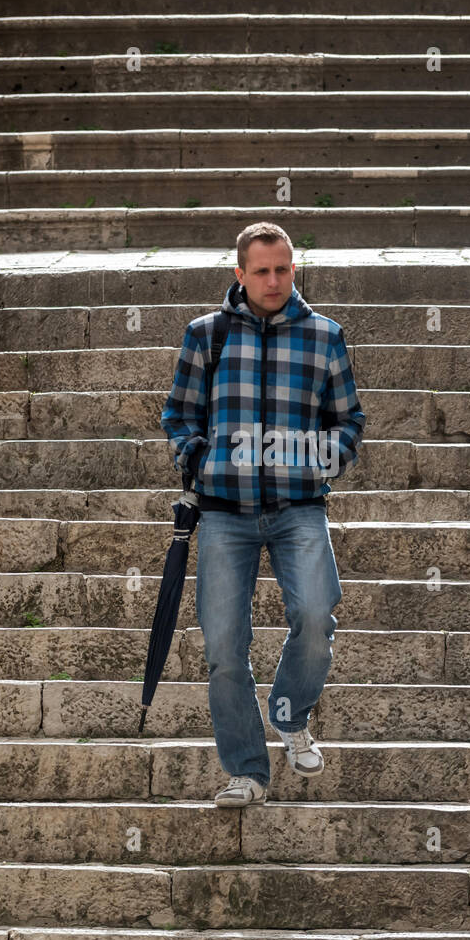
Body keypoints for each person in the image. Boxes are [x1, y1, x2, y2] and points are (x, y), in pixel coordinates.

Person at [161, 221, 366, 807]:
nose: (273, 280)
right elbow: (178, 415)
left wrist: (324, 459)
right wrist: (197, 458)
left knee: (317, 615)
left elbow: (349, 421)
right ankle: (247, 772)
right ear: (240, 274)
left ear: (293, 269)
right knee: (224, 647)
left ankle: (290, 713)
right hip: (225, 514)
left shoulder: (325, 336)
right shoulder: (207, 336)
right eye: (261, 271)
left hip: (298, 507)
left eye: (282, 269)